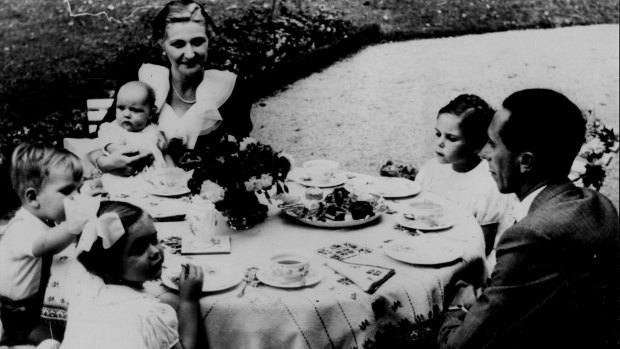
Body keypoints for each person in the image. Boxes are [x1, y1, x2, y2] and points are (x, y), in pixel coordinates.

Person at [437, 89, 619, 349]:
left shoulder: (532, 236)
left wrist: (456, 306)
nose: (484, 153)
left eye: (493, 143)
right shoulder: (597, 203)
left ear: (525, 162)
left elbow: (458, 347)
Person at [88, 0, 252, 174]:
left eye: (197, 42)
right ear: (162, 44)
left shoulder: (229, 90)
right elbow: (96, 143)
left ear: (208, 40)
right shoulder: (143, 84)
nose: (189, 54)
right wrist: (104, 163)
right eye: (178, 44)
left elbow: (240, 157)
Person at [60, 200, 205, 349]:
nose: (155, 251)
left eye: (154, 240)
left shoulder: (83, 287)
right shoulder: (148, 315)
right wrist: (189, 301)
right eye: (139, 248)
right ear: (110, 265)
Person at [0, 143, 86, 345]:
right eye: (67, 191)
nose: (77, 198)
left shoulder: (44, 219)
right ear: (33, 197)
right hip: (16, 310)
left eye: (79, 190)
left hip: (32, 300)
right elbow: (44, 244)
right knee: (56, 339)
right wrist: (75, 225)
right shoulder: (23, 227)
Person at [415, 94, 516, 256]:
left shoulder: (488, 185)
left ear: (477, 144)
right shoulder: (431, 170)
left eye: (452, 138)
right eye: (438, 134)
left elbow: (483, 246)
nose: (440, 142)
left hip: (463, 259)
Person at [97, 81, 174, 170]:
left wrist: (173, 170)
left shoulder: (154, 130)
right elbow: (111, 148)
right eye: (121, 108)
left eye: (135, 110)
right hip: (127, 173)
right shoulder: (114, 129)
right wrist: (134, 152)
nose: (126, 114)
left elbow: (166, 154)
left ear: (151, 113)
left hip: (157, 176)